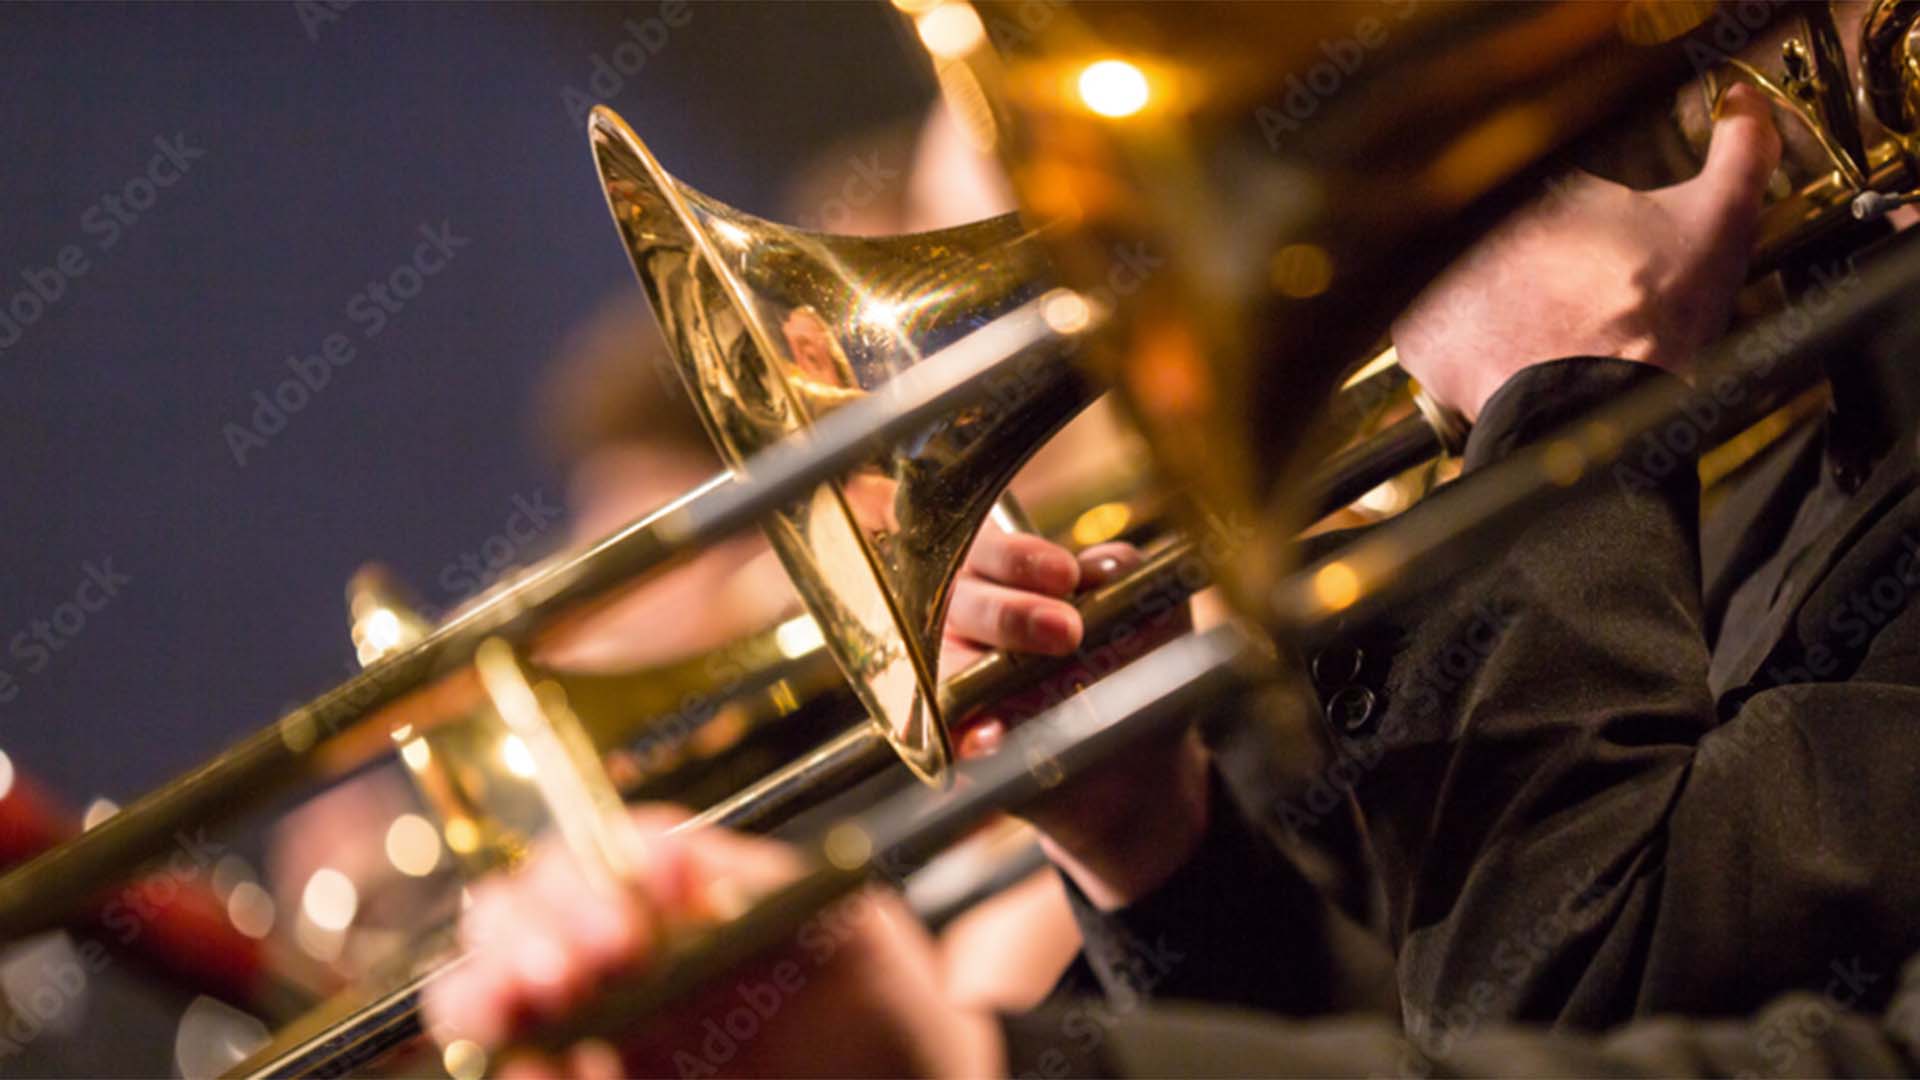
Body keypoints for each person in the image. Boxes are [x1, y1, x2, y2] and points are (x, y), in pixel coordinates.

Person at [424, 36, 1920, 1079]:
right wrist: (1160, 852)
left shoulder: (1695, 424)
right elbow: (1431, 1042)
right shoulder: (1788, 406)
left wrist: (1566, 418)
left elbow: (1577, 983)